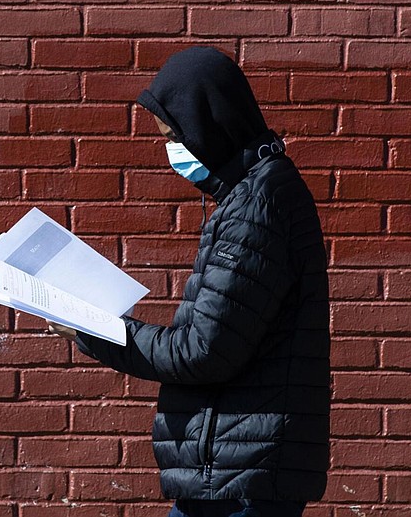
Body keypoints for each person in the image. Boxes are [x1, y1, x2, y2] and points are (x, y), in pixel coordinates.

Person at [47, 46, 330, 517]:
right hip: (234, 466)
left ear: (207, 125)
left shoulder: (255, 211)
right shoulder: (254, 195)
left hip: (238, 481)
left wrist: (92, 329)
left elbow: (203, 351)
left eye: (174, 136)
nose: (172, 152)